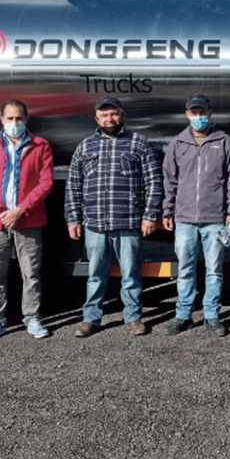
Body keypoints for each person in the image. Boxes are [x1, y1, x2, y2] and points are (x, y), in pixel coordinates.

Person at [66, 96, 162, 337]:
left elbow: (154, 182)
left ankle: (134, 317)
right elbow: (74, 186)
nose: (110, 118)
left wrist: (150, 215)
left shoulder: (139, 143)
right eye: (104, 114)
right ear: (96, 118)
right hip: (95, 224)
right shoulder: (85, 147)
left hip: (128, 222)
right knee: (95, 275)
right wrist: (73, 218)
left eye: (114, 113)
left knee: (131, 274)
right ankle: (90, 318)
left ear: (123, 115)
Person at [0, 100, 54, 342]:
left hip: (28, 220)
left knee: (31, 272)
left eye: (19, 118)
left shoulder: (40, 145)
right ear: (2, 120)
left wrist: (20, 210)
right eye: (10, 118)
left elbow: (45, 182)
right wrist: (0, 211)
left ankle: (32, 318)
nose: (14, 123)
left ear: (26, 119)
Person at [161, 93, 230, 337]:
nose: (199, 116)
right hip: (184, 218)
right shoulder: (178, 143)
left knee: (214, 270)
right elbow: (170, 181)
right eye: (194, 112)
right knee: (185, 269)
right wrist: (167, 209)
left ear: (210, 112)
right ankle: (183, 315)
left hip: (214, 218)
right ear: (187, 114)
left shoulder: (224, 142)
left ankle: (211, 315)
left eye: (202, 112)